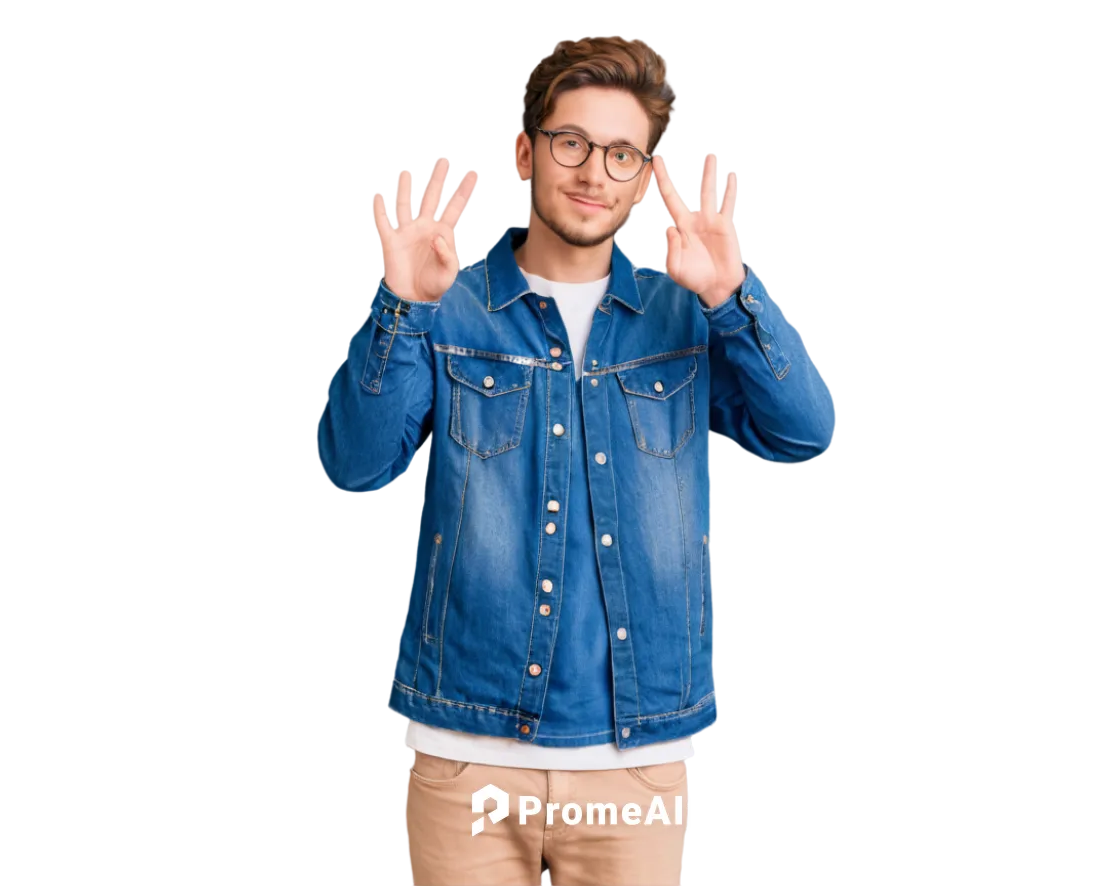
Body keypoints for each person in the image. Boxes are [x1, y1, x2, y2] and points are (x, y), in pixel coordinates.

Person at [317, 36, 832, 886]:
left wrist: (729, 296)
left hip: (637, 754)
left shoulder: (684, 314)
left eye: (621, 153)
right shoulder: (451, 306)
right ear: (526, 150)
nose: (594, 171)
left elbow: (804, 436)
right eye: (572, 143)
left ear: (644, 173)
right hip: (466, 753)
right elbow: (352, 463)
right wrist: (400, 306)